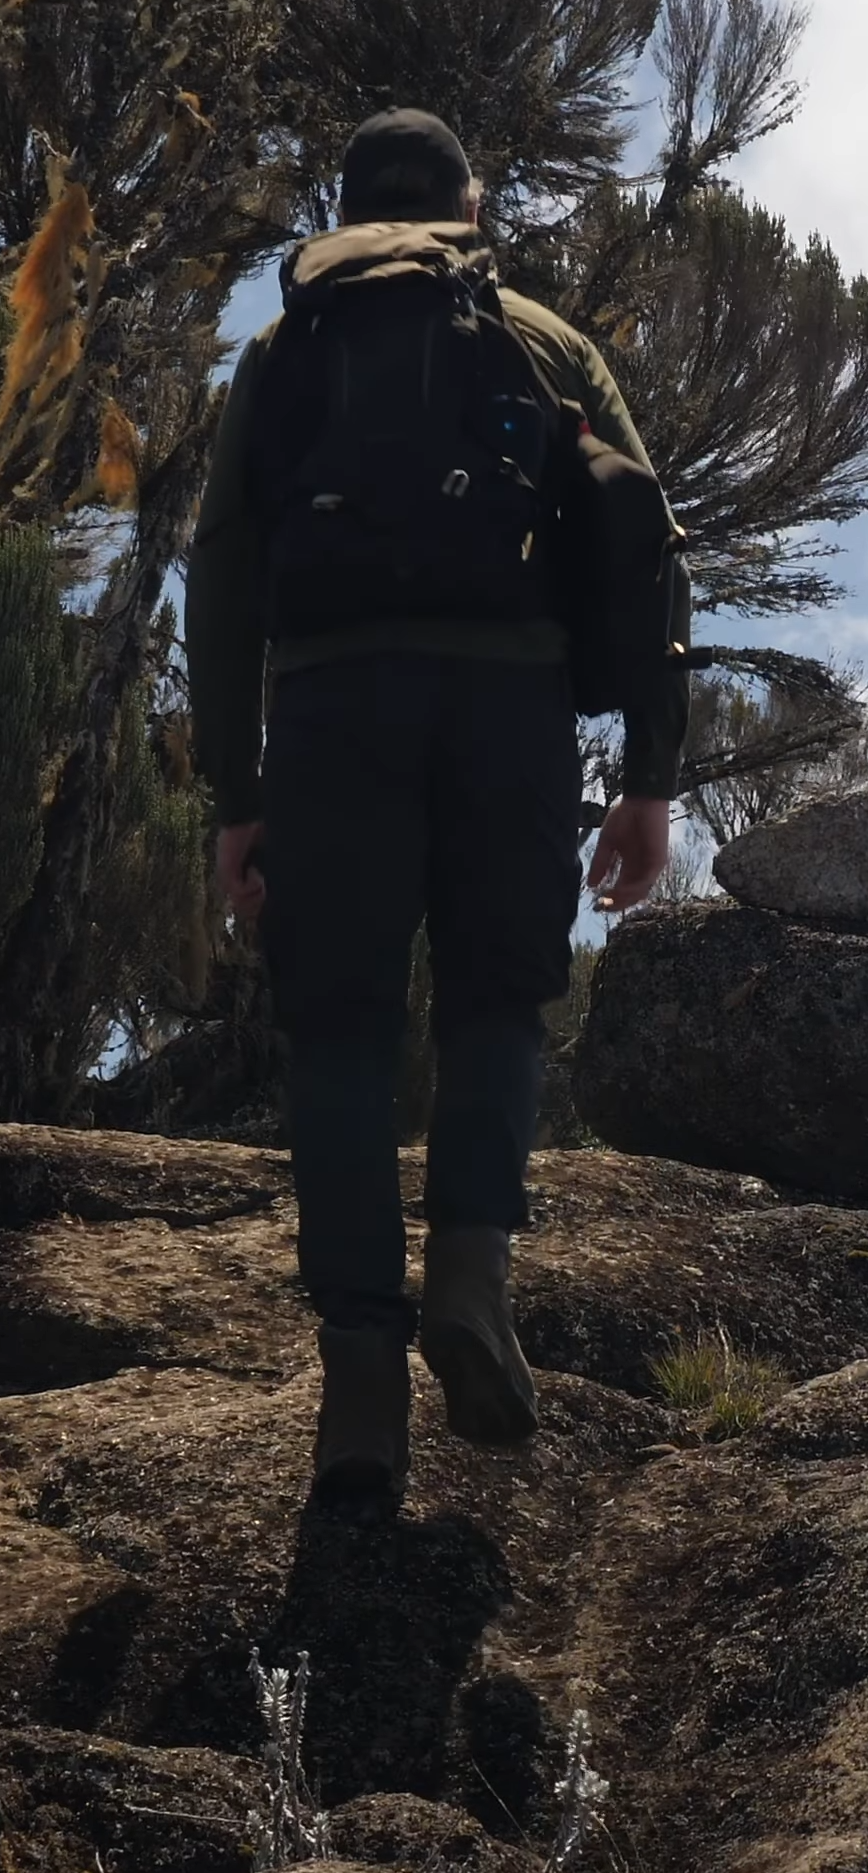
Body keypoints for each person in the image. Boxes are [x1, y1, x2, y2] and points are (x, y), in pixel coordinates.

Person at [186, 110, 681, 1506]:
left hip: (334, 710)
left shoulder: (290, 347)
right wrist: (650, 773)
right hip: (510, 711)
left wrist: (239, 791)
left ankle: (358, 1376)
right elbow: (645, 538)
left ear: (348, 211)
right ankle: (470, 1276)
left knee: (338, 1023)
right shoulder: (536, 335)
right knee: (495, 1006)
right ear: (472, 205)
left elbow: (221, 577)